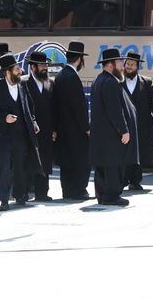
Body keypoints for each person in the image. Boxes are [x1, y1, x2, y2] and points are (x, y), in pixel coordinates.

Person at [0, 53, 41, 211]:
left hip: (21, 135)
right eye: (17, 69)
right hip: (3, 136)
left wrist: (34, 121)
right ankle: (3, 199)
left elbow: (30, 106)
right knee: (5, 168)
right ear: (7, 72)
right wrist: (4, 117)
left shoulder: (22, 85)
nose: (20, 72)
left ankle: (20, 195)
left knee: (20, 167)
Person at [89, 48, 138, 206]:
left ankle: (102, 195)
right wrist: (123, 130)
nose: (122, 67)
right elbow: (115, 111)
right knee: (112, 165)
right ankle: (111, 196)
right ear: (110, 65)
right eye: (119, 63)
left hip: (100, 134)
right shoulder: (110, 82)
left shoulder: (98, 80)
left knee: (102, 166)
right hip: (110, 134)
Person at [53, 40, 92, 200]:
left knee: (66, 162)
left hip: (63, 128)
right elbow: (79, 107)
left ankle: (67, 190)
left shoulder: (60, 76)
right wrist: (86, 127)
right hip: (76, 129)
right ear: (80, 60)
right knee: (81, 160)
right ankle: (79, 190)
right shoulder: (73, 78)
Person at [122, 51, 153, 191]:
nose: (129, 67)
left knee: (138, 154)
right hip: (124, 125)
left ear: (137, 67)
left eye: (132, 65)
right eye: (127, 64)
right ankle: (123, 179)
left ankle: (135, 181)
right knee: (124, 153)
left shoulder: (146, 82)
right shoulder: (118, 81)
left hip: (141, 125)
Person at [23, 50, 55, 201]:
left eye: (45, 65)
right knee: (29, 160)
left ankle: (42, 193)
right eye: (41, 65)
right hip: (30, 130)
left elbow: (55, 107)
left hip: (47, 130)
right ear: (32, 67)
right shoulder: (24, 84)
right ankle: (26, 191)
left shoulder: (50, 83)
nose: (45, 68)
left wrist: (54, 128)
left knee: (45, 160)